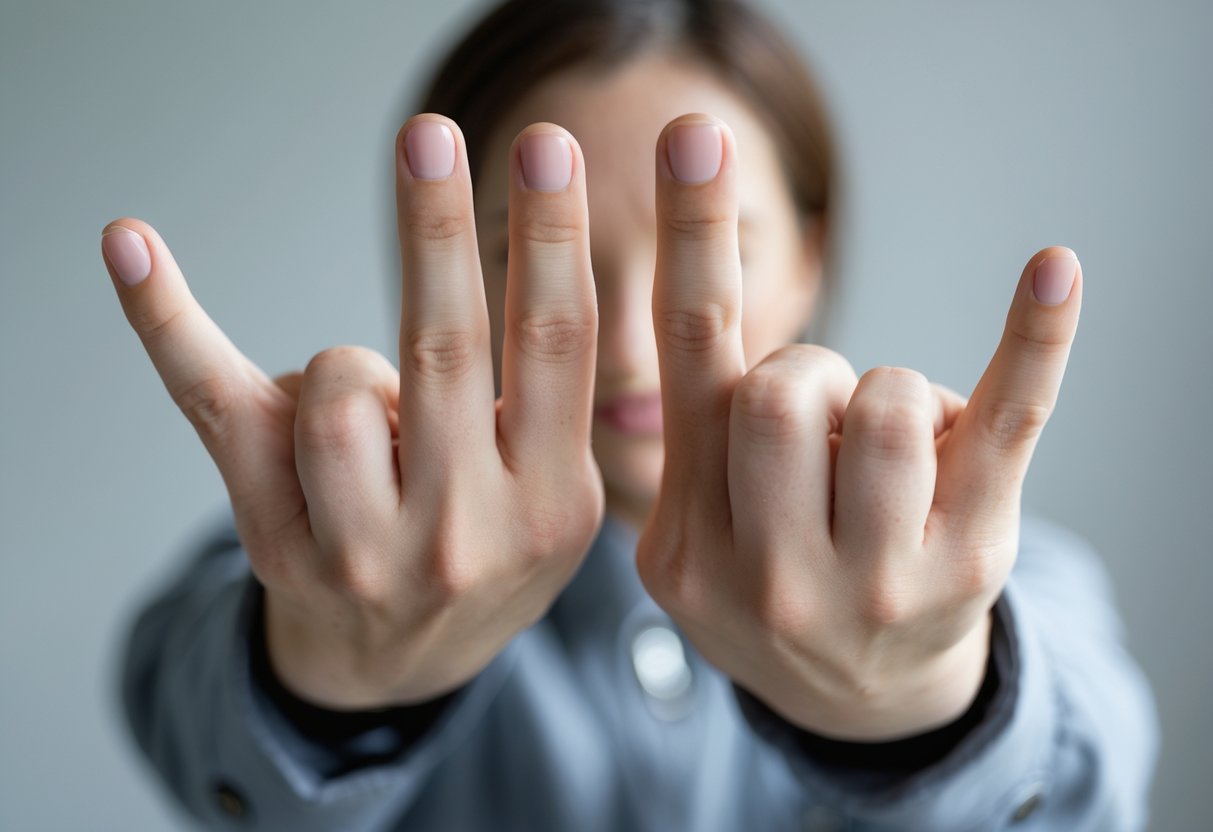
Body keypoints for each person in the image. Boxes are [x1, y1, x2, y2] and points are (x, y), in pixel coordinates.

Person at [103, 0, 1159, 829]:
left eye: (715, 244)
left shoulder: (989, 574)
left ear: (809, 256)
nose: (627, 344)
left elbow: (1091, 780)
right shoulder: (316, 555)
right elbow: (184, 703)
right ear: (453, 271)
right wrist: (328, 671)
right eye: (533, 251)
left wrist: (926, 693)